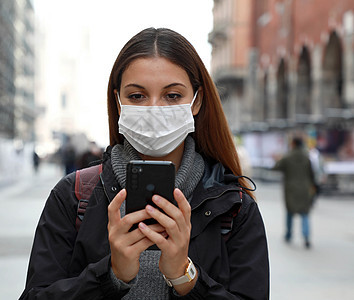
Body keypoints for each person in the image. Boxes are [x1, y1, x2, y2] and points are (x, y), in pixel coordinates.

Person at [19, 28, 269, 299]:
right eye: (137, 96)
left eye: (172, 96)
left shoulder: (233, 208)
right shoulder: (73, 196)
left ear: (196, 101)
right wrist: (110, 276)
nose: (154, 109)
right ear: (118, 101)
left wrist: (186, 277)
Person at [272, 136, 317, 249]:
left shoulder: (287, 157)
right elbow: (312, 173)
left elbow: (276, 167)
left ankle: (288, 234)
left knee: (289, 212)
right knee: (305, 213)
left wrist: (277, 158)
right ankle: (306, 237)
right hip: (305, 189)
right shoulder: (307, 157)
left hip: (291, 189)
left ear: (293, 144)